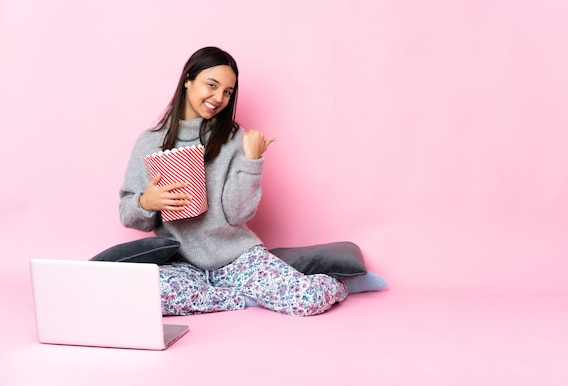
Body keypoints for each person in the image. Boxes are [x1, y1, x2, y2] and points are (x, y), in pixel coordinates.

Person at [119, 47, 385, 317]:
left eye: (227, 91)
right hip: (181, 265)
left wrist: (252, 160)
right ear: (188, 79)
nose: (219, 98)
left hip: (236, 257)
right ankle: (244, 298)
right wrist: (145, 203)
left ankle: (342, 283)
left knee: (307, 301)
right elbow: (129, 215)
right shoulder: (149, 142)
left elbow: (238, 214)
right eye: (211, 85)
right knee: (145, 297)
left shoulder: (234, 138)